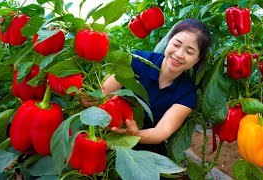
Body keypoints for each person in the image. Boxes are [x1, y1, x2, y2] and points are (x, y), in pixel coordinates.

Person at [82, 18, 211, 156]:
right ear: (168, 42)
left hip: (147, 150)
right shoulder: (137, 61)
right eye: (176, 44)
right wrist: (87, 98)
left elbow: (162, 131)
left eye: (189, 52)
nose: (179, 54)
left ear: (197, 59)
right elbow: (102, 94)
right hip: (105, 138)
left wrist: (136, 134)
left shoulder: (187, 92)